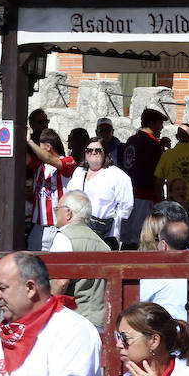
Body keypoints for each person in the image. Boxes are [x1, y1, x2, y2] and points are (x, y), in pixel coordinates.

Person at [47, 190, 111, 329]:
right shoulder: (103, 244)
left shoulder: (64, 237)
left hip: (73, 321)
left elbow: (60, 282)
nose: (55, 213)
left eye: (57, 209)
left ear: (68, 213)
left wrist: (46, 312)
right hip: (99, 322)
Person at [67, 135, 133, 248]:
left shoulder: (117, 176)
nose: (93, 153)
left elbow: (126, 206)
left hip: (106, 234)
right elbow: (69, 196)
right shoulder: (79, 172)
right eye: (89, 150)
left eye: (98, 150)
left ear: (105, 153)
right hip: (78, 229)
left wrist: (112, 221)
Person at [119, 108, 168, 246]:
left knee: (128, 238)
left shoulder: (131, 140)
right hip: (145, 197)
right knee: (143, 238)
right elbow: (158, 172)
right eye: (160, 123)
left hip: (129, 195)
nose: (162, 127)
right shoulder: (152, 144)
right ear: (152, 124)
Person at [26, 128, 78, 252]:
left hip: (58, 227)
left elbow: (51, 160)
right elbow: (23, 157)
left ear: (48, 146)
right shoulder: (39, 165)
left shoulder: (68, 161)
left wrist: (30, 142)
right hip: (38, 227)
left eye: (40, 146)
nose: (37, 150)